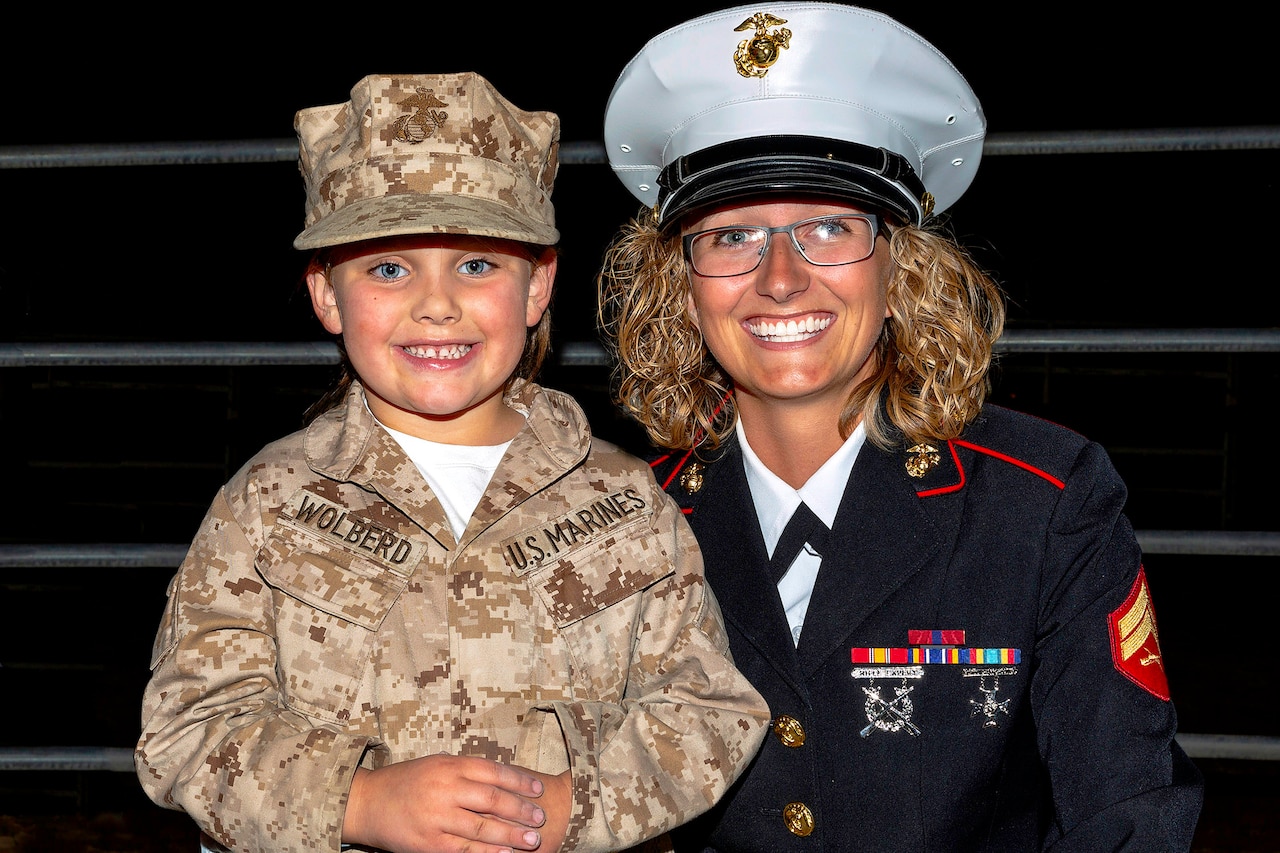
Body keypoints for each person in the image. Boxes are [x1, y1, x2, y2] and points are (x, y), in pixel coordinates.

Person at [595, 4, 1204, 851]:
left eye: (829, 229)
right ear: (682, 284)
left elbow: (1128, 813)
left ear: (900, 265)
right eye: (731, 236)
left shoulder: (1043, 503)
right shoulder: (622, 522)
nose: (779, 278)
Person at [135, 71, 769, 853]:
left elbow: (708, 709)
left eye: (477, 264)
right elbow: (187, 727)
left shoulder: (623, 500)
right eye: (388, 267)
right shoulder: (267, 504)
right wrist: (356, 801)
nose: (436, 304)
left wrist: (572, 810)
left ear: (538, 285)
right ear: (325, 294)